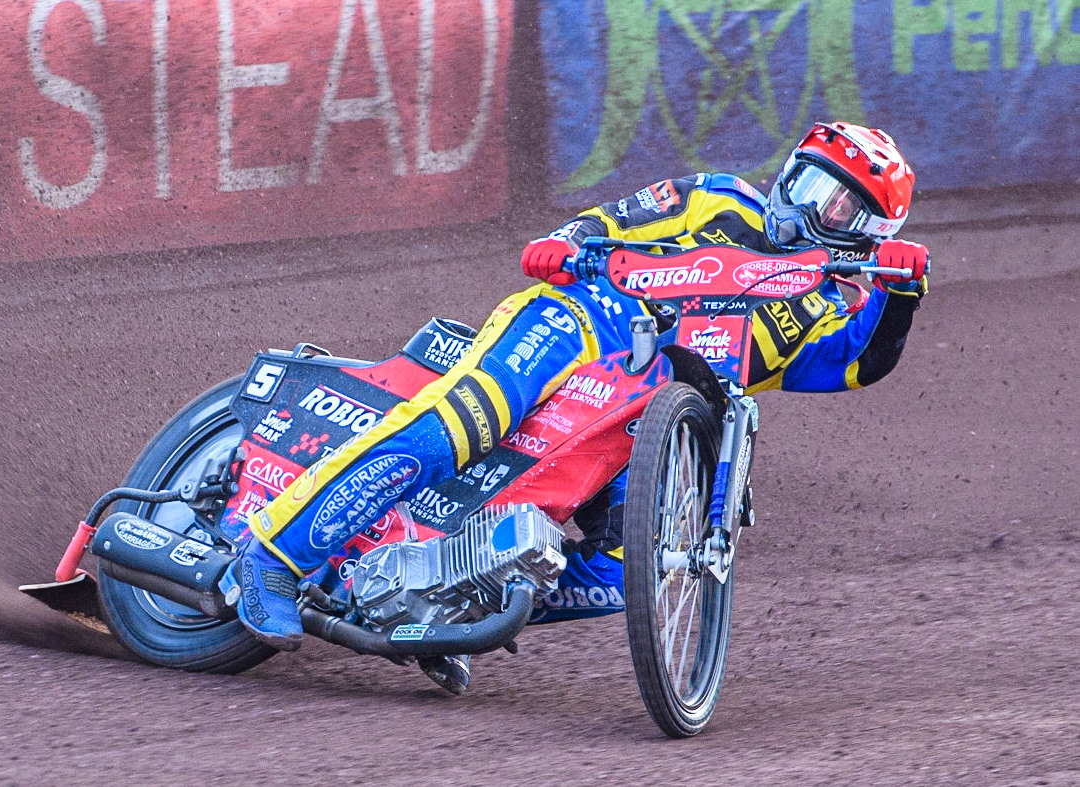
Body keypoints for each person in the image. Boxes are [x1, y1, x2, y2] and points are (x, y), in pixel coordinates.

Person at [227, 121, 929, 692]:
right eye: (811, 182)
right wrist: (565, 244)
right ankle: (274, 555)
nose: (812, 207)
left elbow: (863, 363)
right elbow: (613, 219)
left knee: (625, 571)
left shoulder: (818, 309)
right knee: (463, 422)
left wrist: (902, 291)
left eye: (840, 207)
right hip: (579, 322)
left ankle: (445, 604)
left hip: (645, 420)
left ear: (865, 236)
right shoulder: (720, 198)